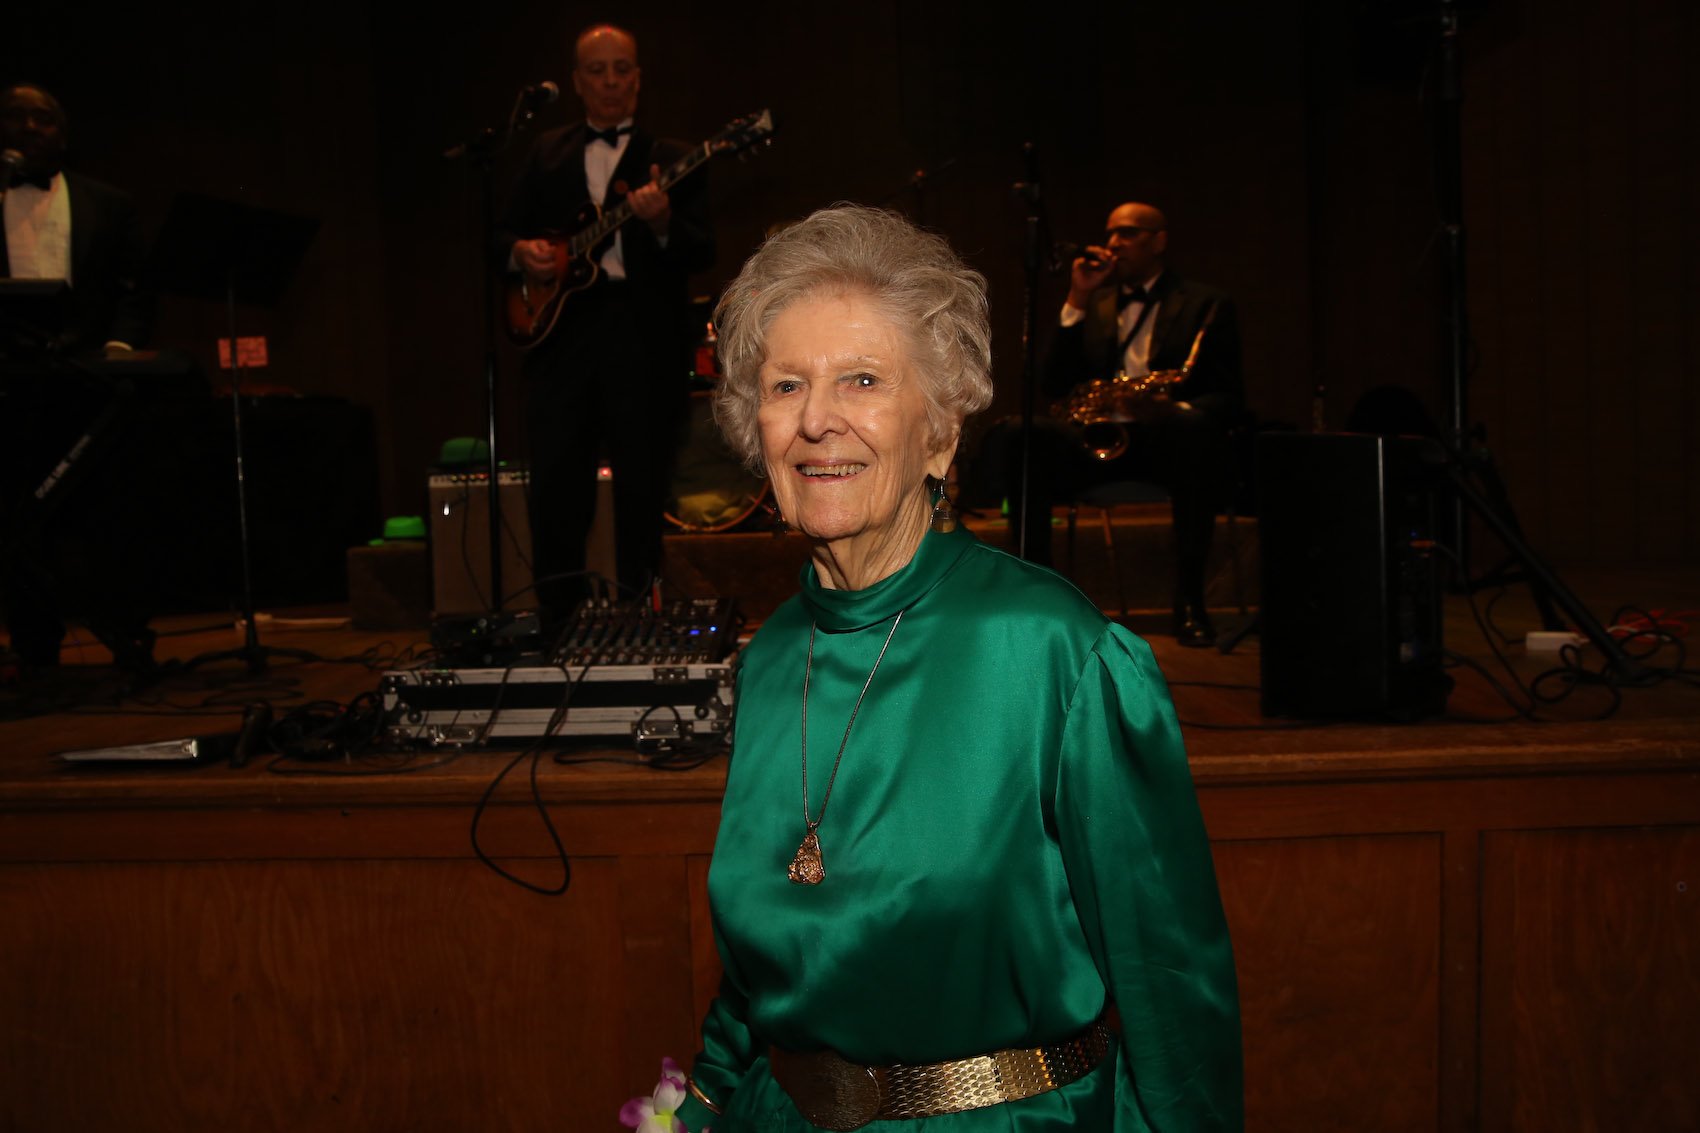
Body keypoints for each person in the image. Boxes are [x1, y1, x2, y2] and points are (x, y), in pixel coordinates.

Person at [658, 205, 1239, 1131]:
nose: (816, 419)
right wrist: (697, 1108)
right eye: (785, 386)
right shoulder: (768, 658)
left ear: (940, 430)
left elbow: (1172, 990)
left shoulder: (1055, 649)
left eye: (862, 379)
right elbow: (760, 973)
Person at [495, 24, 714, 625]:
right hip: (561, 339)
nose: (611, 81)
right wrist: (522, 254)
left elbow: (702, 248)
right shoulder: (546, 152)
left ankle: (639, 617)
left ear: (638, 79)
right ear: (577, 81)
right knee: (556, 485)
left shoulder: (671, 156)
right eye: (598, 70)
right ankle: (557, 622)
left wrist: (662, 222)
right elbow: (501, 233)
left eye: (623, 69)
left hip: (642, 337)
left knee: (642, 483)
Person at [986, 201, 1243, 647]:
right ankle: (1037, 600)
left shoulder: (1206, 303)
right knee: (1020, 433)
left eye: (1127, 233)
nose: (1112, 243)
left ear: (1159, 241)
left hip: (1166, 442)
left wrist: (1172, 409)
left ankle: (1190, 603)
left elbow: (1228, 396)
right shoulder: (1097, 302)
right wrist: (1077, 298)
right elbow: (1053, 384)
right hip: (1097, 439)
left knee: (1194, 435)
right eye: (1110, 233)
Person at [0, 82, 157, 678]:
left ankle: (127, 638)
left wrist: (119, 349)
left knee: (107, 513)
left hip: (89, 384)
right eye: (15, 117)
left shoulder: (107, 203)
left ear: (62, 135)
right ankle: (35, 647)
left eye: (41, 118)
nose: (29, 128)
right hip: (10, 384)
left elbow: (135, 289)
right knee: (18, 518)